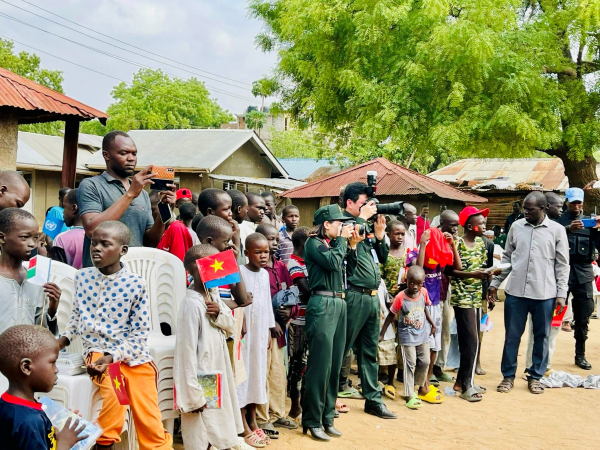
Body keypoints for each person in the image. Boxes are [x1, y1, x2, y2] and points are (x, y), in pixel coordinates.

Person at [58, 221, 173, 450]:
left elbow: (140, 333)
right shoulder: (82, 277)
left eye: (105, 244)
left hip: (133, 356)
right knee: (116, 394)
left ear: (123, 250)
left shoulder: (136, 284)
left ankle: (158, 446)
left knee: (148, 408)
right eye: (94, 243)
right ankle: (104, 443)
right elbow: (76, 317)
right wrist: (61, 341)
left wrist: (116, 355)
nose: (96, 248)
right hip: (100, 356)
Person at [489, 191, 569, 394]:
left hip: (545, 295)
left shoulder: (557, 231)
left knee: (542, 336)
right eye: (525, 208)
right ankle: (508, 377)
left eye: (530, 209)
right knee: (512, 336)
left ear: (543, 209)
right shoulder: (516, 227)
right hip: (516, 293)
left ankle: (535, 377)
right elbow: (507, 257)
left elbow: (562, 265)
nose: (525, 212)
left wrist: (561, 293)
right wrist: (495, 281)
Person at [174, 244, 244, 450]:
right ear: (197, 268)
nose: (220, 267)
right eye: (214, 264)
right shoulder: (191, 304)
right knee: (201, 427)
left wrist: (219, 314)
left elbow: (230, 327)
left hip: (215, 373)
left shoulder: (212, 296)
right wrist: (192, 394)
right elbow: (185, 352)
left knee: (216, 424)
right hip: (200, 376)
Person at [338, 182, 396, 420]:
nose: (370, 208)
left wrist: (381, 235)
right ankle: (328, 399)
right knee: (341, 350)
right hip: (353, 295)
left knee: (369, 352)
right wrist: (362, 218)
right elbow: (343, 248)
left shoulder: (366, 226)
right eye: (364, 204)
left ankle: (373, 399)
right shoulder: (340, 223)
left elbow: (381, 259)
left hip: (372, 296)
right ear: (350, 203)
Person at [78, 131, 176, 268]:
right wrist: (130, 194)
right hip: (100, 277)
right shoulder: (92, 185)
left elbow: (150, 241)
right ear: (106, 155)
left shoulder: (141, 193)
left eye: (134, 153)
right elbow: (92, 230)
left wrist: (163, 211)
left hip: (133, 274)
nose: (131, 158)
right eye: (124, 153)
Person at [303, 205, 354, 441]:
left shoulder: (334, 244)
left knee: (334, 365)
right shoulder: (313, 243)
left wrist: (351, 245)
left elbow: (346, 266)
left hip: (340, 303)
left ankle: (327, 417)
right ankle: (312, 420)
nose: (342, 227)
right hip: (322, 304)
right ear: (326, 224)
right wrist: (343, 242)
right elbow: (333, 263)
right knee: (320, 366)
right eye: (338, 223)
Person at [0, 325, 87, 450]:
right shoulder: (29, 424)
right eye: (53, 362)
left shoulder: (6, 404)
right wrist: (64, 444)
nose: (56, 370)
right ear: (26, 367)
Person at [409, 224, 461, 400]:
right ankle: (416, 387)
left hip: (436, 304)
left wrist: (452, 245)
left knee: (434, 347)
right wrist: (423, 245)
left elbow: (458, 267)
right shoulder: (415, 254)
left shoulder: (439, 258)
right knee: (418, 347)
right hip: (420, 305)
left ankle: (425, 385)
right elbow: (419, 269)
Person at [255, 223, 297, 434]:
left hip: (281, 331)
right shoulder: (255, 270)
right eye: (268, 239)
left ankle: (277, 413)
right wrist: (271, 322)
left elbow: (292, 294)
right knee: (262, 372)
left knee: (278, 374)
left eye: (275, 240)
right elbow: (255, 303)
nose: (273, 244)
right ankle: (262, 417)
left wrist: (291, 312)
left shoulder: (281, 267)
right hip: (263, 330)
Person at [236, 233, 276, 448]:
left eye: (266, 252)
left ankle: (252, 418)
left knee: (257, 373)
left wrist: (269, 330)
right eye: (258, 252)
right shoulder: (240, 272)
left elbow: (267, 304)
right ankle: (242, 422)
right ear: (247, 253)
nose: (263, 256)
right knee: (243, 374)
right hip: (245, 334)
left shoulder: (264, 275)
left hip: (260, 333)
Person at [449, 206, 492, 402]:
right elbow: (450, 272)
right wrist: (474, 275)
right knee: (470, 342)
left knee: (473, 341)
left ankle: (462, 381)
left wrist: (490, 274)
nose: (484, 226)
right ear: (469, 226)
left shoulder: (482, 244)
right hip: (462, 298)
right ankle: (466, 386)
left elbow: (482, 267)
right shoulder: (456, 244)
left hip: (476, 297)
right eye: (480, 223)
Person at [381, 266, 436, 410]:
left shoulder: (423, 293)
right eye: (412, 283)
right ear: (407, 281)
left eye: (419, 284)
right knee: (409, 364)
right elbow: (391, 315)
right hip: (407, 338)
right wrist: (382, 333)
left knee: (425, 361)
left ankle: (417, 387)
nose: (415, 287)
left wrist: (432, 324)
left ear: (423, 283)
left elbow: (425, 308)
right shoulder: (400, 297)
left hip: (422, 335)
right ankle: (409, 394)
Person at [557, 187, 600, 370]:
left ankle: (580, 355)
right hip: (561, 272)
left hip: (583, 272)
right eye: (573, 202)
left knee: (583, 316)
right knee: (553, 314)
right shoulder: (557, 221)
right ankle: (545, 356)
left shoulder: (589, 222)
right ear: (567, 202)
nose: (576, 205)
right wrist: (567, 229)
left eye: (579, 202)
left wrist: (598, 229)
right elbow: (550, 240)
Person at [0, 208, 61, 336]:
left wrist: (51, 309)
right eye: (25, 237)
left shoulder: (36, 277)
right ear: (2, 238)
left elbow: (39, 326)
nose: (32, 244)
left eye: (35, 238)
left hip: (27, 353)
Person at [433, 210, 461, 383]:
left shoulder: (453, 240)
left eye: (457, 225)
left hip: (445, 290)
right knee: (432, 332)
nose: (456, 229)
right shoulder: (432, 238)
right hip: (433, 291)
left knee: (444, 332)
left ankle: (439, 367)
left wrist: (452, 244)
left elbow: (456, 267)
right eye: (452, 225)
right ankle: (428, 369)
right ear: (442, 223)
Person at [286, 226, 310, 420]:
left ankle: (302, 403)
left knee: (306, 365)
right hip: (298, 321)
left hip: (309, 319)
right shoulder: (293, 263)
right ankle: (295, 405)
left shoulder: (306, 262)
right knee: (297, 365)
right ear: (304, 243)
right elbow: (306, 290)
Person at [51, 189, 85, 269]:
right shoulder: (99, 236)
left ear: (74, 208)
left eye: (64, 207)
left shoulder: (60, 239)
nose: (62, 212)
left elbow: (58, 272)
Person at [381, 220, 407, 296]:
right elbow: (380, 279)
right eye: (397, 234)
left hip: (405, 296)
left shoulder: (408, 253)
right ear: (388, 235)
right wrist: (387, 296)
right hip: (387, 296)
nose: (400, 237)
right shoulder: (384, 254)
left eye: (403, 234)